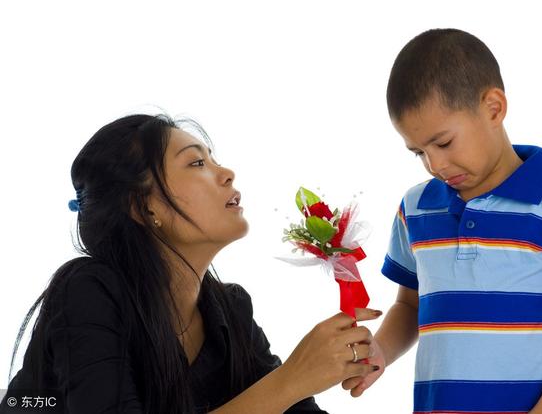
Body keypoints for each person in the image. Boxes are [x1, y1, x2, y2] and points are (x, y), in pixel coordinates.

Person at [0, 114, 382, 414]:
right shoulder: (88, 292)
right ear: (145, 207)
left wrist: (325, 367)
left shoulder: (230, 310)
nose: (226, 173)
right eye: (197, 162)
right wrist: (292, 380)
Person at [341, 28, 542, 413]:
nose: (435, 164)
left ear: (494, 108)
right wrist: (381, 350)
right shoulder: (415, 208)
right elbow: (410, 306)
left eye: (444, 143)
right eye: (419, 152)